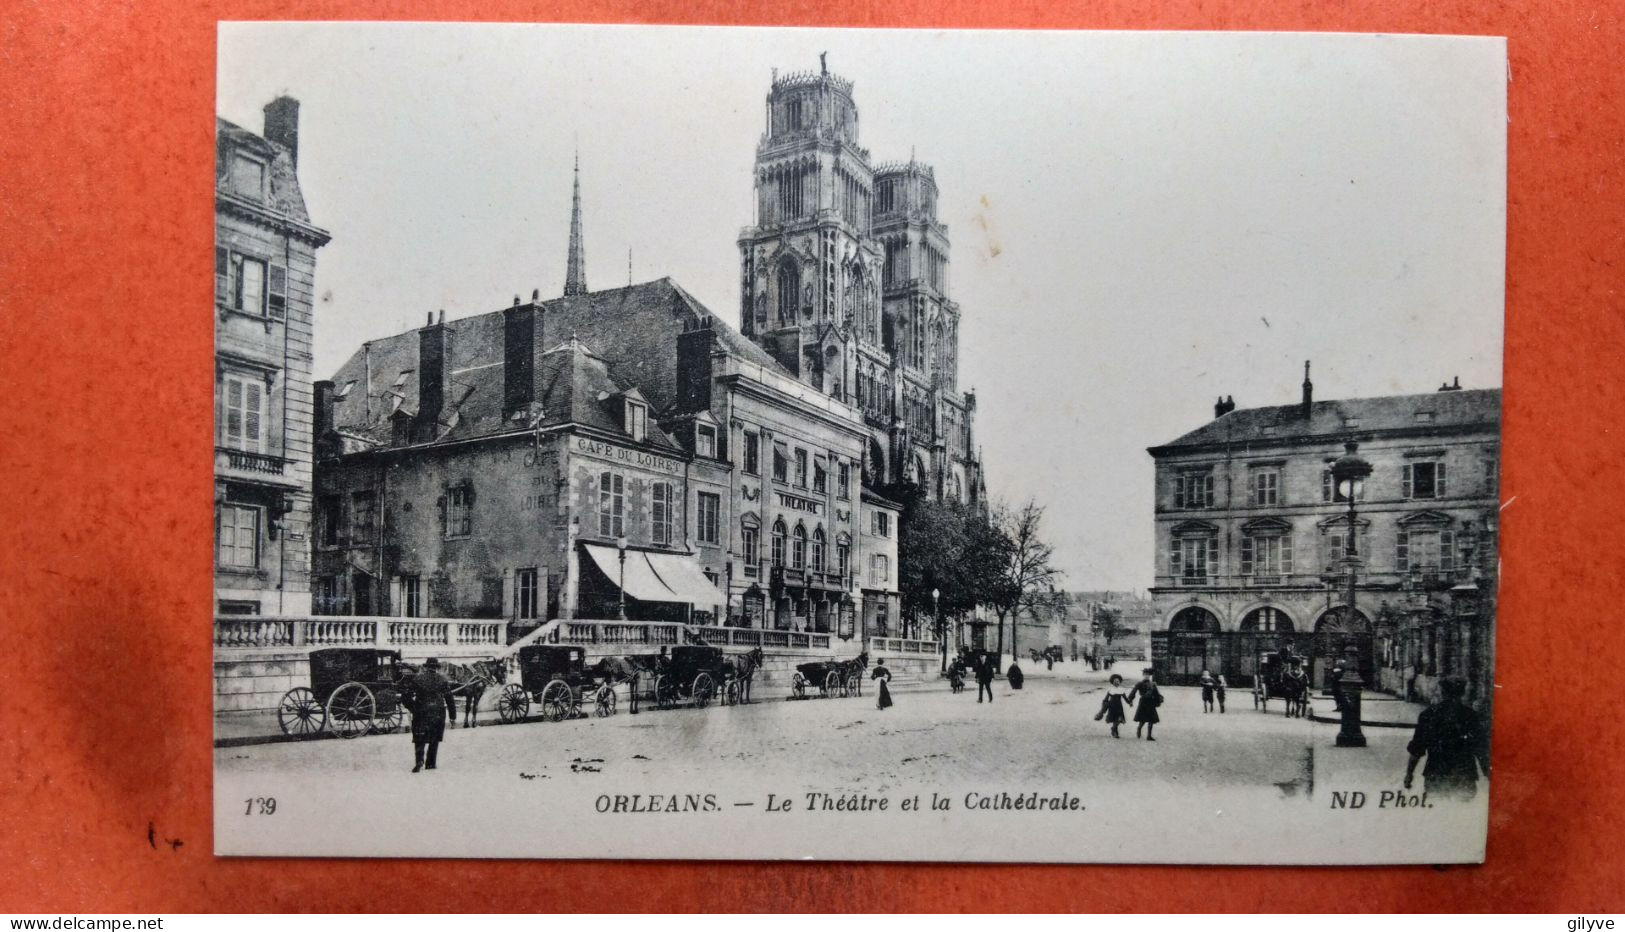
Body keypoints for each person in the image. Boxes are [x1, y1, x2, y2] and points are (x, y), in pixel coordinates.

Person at [1404, 676, 1490, 801]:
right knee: (1462, 816)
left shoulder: (1428, 715)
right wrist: (1488, 773)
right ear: (1462, 692)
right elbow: (1481, 749)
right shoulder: (1471, 716)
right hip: (1464, 776)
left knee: (1439, 815)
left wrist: (1409, 774)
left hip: (1436, 775)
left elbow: (1417, 748)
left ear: (1442, 692)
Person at [403, 657, 458, 773]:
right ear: (436, 668)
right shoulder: (442, 680)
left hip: (421, 712)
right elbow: (450, 699)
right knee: (434, 738)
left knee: (419, 737)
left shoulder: (417, 679)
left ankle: (419, 760)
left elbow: (405, 697)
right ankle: (430, 763)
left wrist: (414, 708)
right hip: (438, 712)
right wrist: (453, 716)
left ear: (426, 667)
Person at [1128, 667, 1162, 740]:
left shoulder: (1152, 684)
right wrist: (1130, 700)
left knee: (1152, 720)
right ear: (1143, 675)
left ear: (1150, 675)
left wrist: (1158, 700)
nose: (1147, 676)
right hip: (1143, 702)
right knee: (1142, 719)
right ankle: (1139, 728)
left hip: (1151, 703)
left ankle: (1149, 736)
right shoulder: (1139, 683)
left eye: (1148, 675)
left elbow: (1156, 693)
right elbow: (1133, 691)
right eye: (1145, 674)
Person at [1095, 673, 1130, 738]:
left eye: (1118, 681)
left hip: (1119, 706)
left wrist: (1129, 703)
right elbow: (1106, 698)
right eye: (1115, 681)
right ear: (1112, 682)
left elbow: (1125, 698)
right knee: (1115, 719)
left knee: (1119, 719)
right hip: (1112, 706)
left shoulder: (1121, 689)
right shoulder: (1110, 689)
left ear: (1120, 681)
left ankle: (1113, 728)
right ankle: (1115, 732)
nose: (1117, 682)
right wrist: (1103, 708)